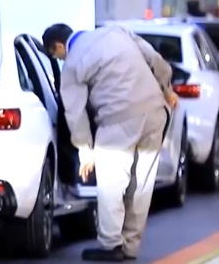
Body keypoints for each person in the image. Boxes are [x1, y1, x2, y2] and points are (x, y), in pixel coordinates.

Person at [43, 23, 177, 262]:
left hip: (118, 120)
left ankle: (111, 244)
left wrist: (85, 150)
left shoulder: (72, 64)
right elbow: (154, 58)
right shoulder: (117, 32)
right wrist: (167, 89)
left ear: (59, 46)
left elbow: (75, 112)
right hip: (155, 111)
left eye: (56, 55)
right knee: (142, 184)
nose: (60, 59)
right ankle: (131, 245)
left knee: (111, 186)